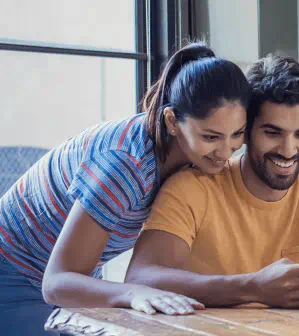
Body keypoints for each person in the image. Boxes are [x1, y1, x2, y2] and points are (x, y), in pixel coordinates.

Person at [0, 41, 252, 335]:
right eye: (211, 137)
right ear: (172, 121)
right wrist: (133, 293)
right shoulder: (126, 165)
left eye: (237, 135)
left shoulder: (195, 159)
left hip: (71, 274)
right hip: (14, 271)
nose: (226, 151)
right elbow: (56, 282)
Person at [125, 54, 299, 308]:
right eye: (273, 133)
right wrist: (252, 288)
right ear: (245, 130)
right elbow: (142, 276)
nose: (288, 150)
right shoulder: (191, 189)